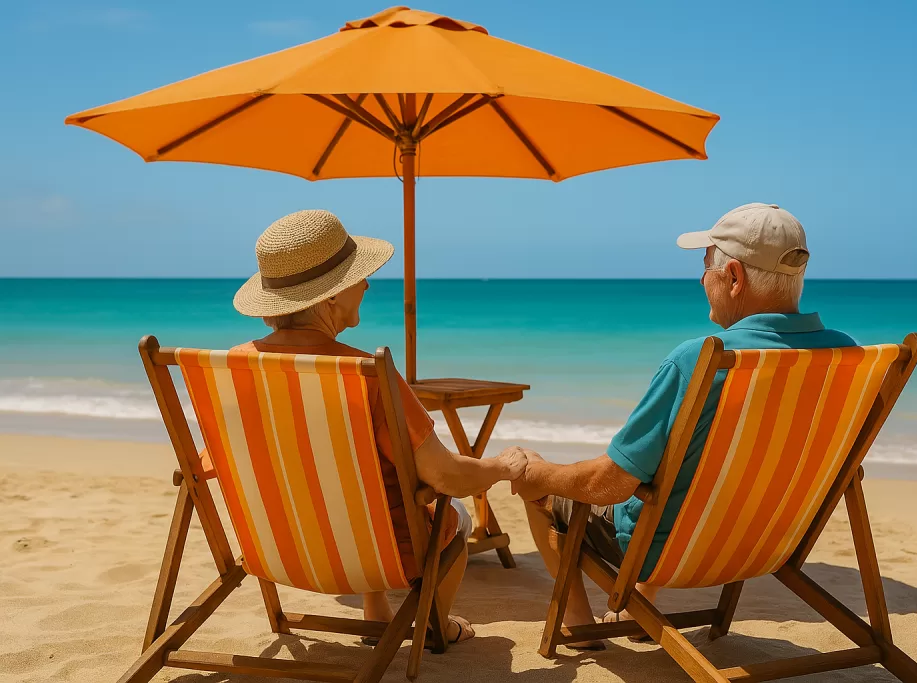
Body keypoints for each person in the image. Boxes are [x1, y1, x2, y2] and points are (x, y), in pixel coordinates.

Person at [506, 203, 857, 647]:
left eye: (705, 265)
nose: (700, 279)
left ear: (734, 277)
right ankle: (636, 605)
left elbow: (612, 482)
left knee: (545, 490)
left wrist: (538, 474)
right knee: (674, 481)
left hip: (669, 551)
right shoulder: (846, 357)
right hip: (768, 546)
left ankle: (578, 624)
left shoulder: (700, 360)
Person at [232, 209, 527, 644]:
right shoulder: (366, 374)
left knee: (351, 489)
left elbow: (211, 465)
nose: (367, 284)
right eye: (357, 276)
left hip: (277, 552)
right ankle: (436, 627)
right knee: (453, 518)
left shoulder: (235, 367)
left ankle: (376, 610)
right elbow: (445, 476)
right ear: (330, 297)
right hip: (379, 553)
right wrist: (502, 467)